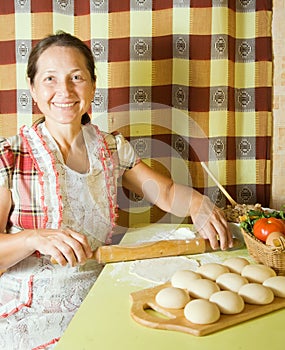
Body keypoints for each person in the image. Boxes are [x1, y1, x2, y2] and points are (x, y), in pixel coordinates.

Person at [0, 32, 233, 349]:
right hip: (30, 310)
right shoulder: (10, 156)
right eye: (50, 79)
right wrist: (34, 237)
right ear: (33, 90)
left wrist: (197, 203)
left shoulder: (110, 148)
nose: (64, 91)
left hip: (99, 294)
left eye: (76, 77)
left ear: (92, 86)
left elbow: (163, 193)